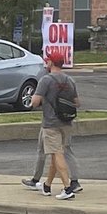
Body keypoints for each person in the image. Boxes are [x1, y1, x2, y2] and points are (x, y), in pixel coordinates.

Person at [31, 54, 78, 200]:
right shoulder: (69, 80)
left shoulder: (46, 80)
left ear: (51, 63)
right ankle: (47, 185)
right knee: (55, 155)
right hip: (66, 122)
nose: (46, 63)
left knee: (57, 154)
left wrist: (39, 98)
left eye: (47, 61)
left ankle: (67, 188)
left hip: (51, 124)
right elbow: (77, 102)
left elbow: (34, 102)